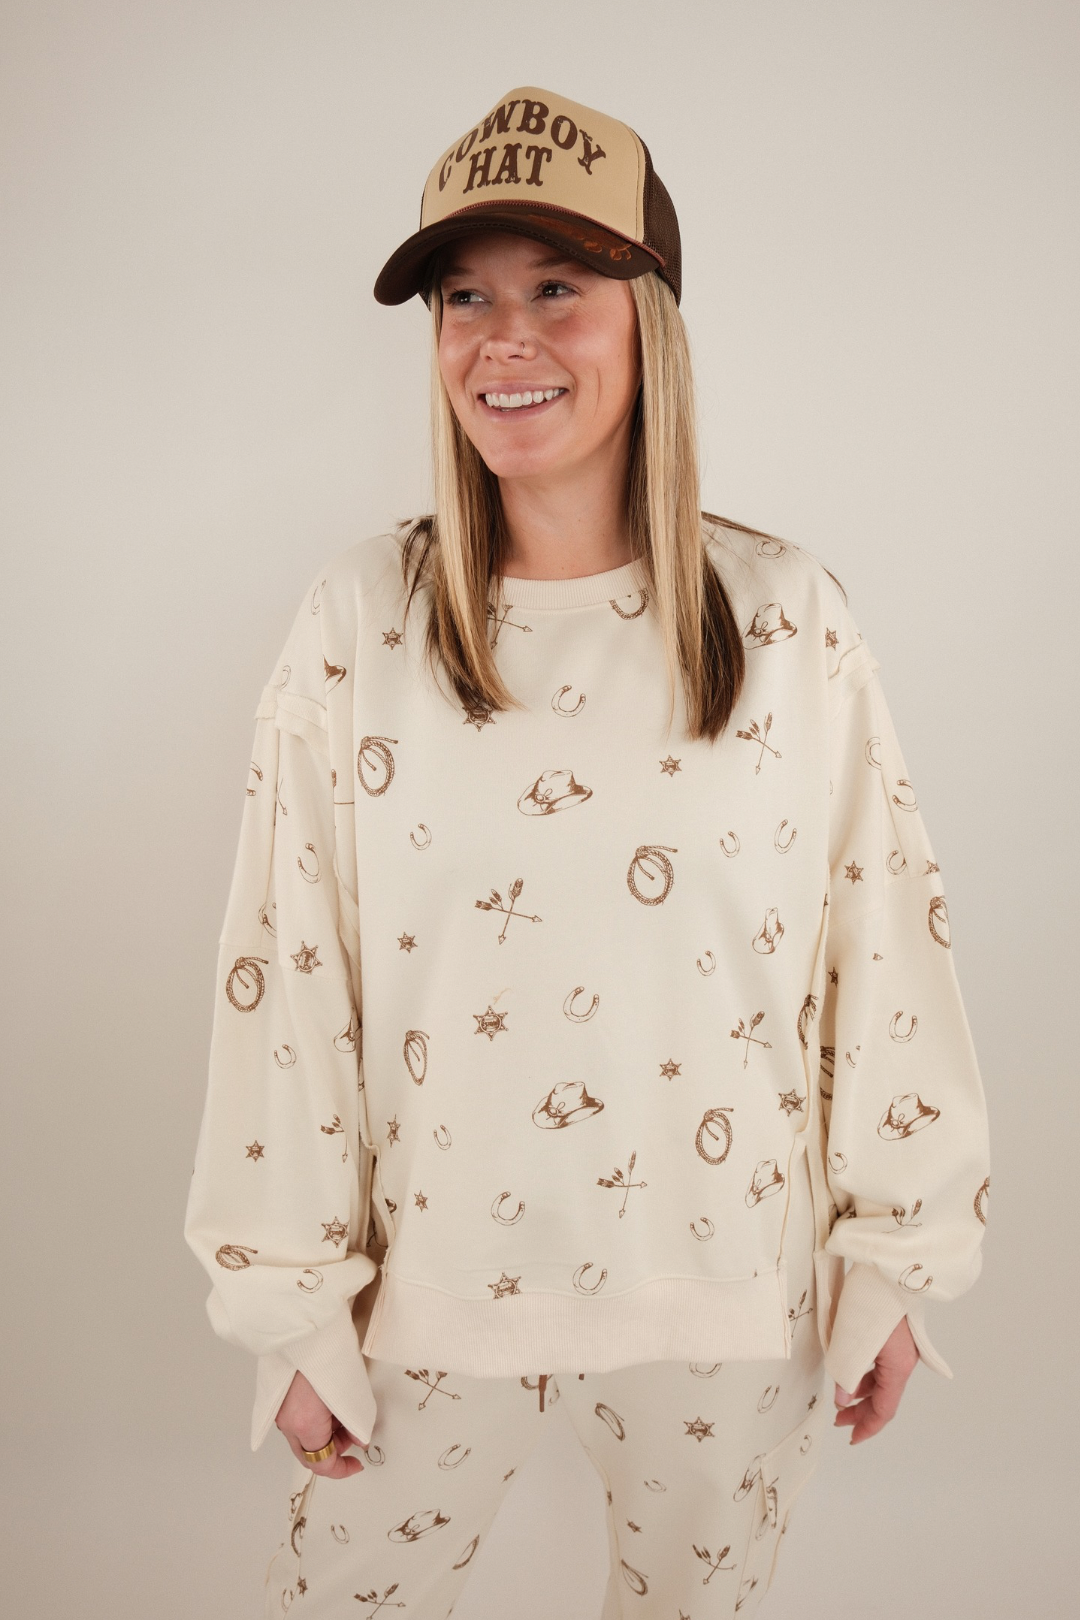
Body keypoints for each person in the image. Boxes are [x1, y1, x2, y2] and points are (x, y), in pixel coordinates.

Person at [184, 85, 991, 1619]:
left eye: (558, 286)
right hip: (423, 1302)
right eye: (465, 297)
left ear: (649, 317)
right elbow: (283, 973)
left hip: (730, 1300)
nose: (507, 338)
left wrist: (894, 1256)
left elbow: (881, 939)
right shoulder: (362, 624)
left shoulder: (785, 618)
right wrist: (290, 1304)